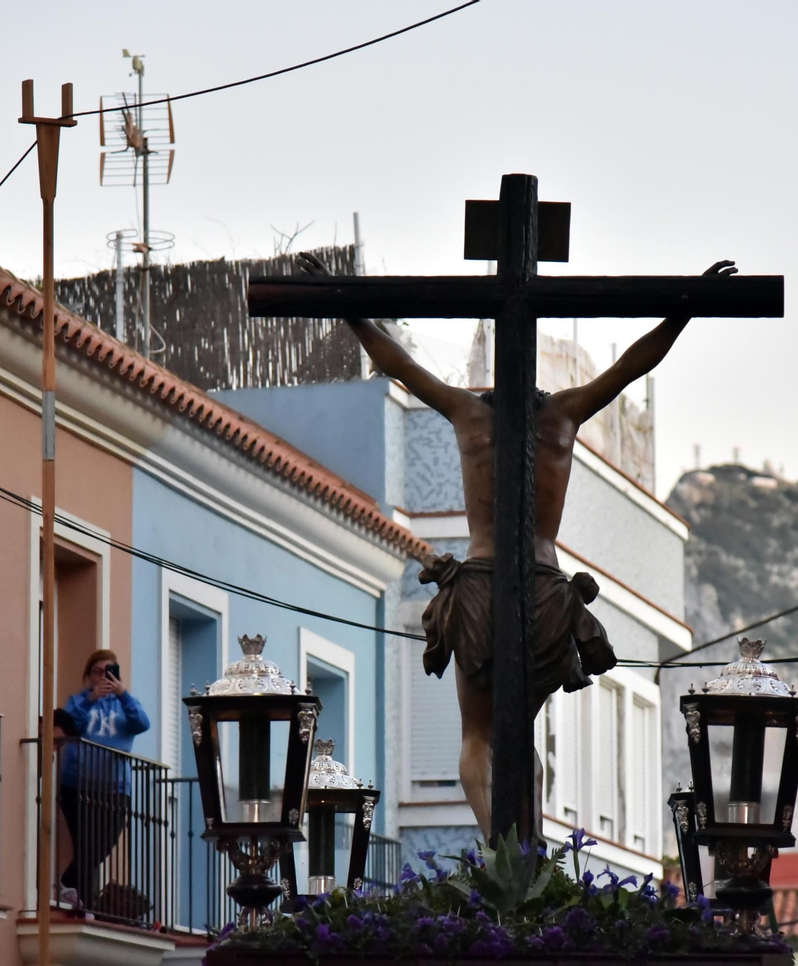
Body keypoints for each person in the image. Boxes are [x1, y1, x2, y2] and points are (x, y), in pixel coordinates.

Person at [301, 252, 735, 837]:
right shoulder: (564, 414)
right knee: (519, 736)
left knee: (479, 736)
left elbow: (396, 362)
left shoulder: (465, 412)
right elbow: (632, 366)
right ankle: (525, 852)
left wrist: (344, 305)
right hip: (546, 592)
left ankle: (499, 848)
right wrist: (686, 310)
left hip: (479, 586)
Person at [57, 649, 150, 911]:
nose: (103, 677)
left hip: (115, 789)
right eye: (97, 671)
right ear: (88, 676)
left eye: (109, 671)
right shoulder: (77, 701)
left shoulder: (126, 704)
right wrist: (91, 699)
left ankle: (66, 884)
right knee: (85, 847)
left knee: (101, 846)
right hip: (76, 786)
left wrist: (122, 694)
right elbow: (67, 725)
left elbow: (142, 723)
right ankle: (83, 903)